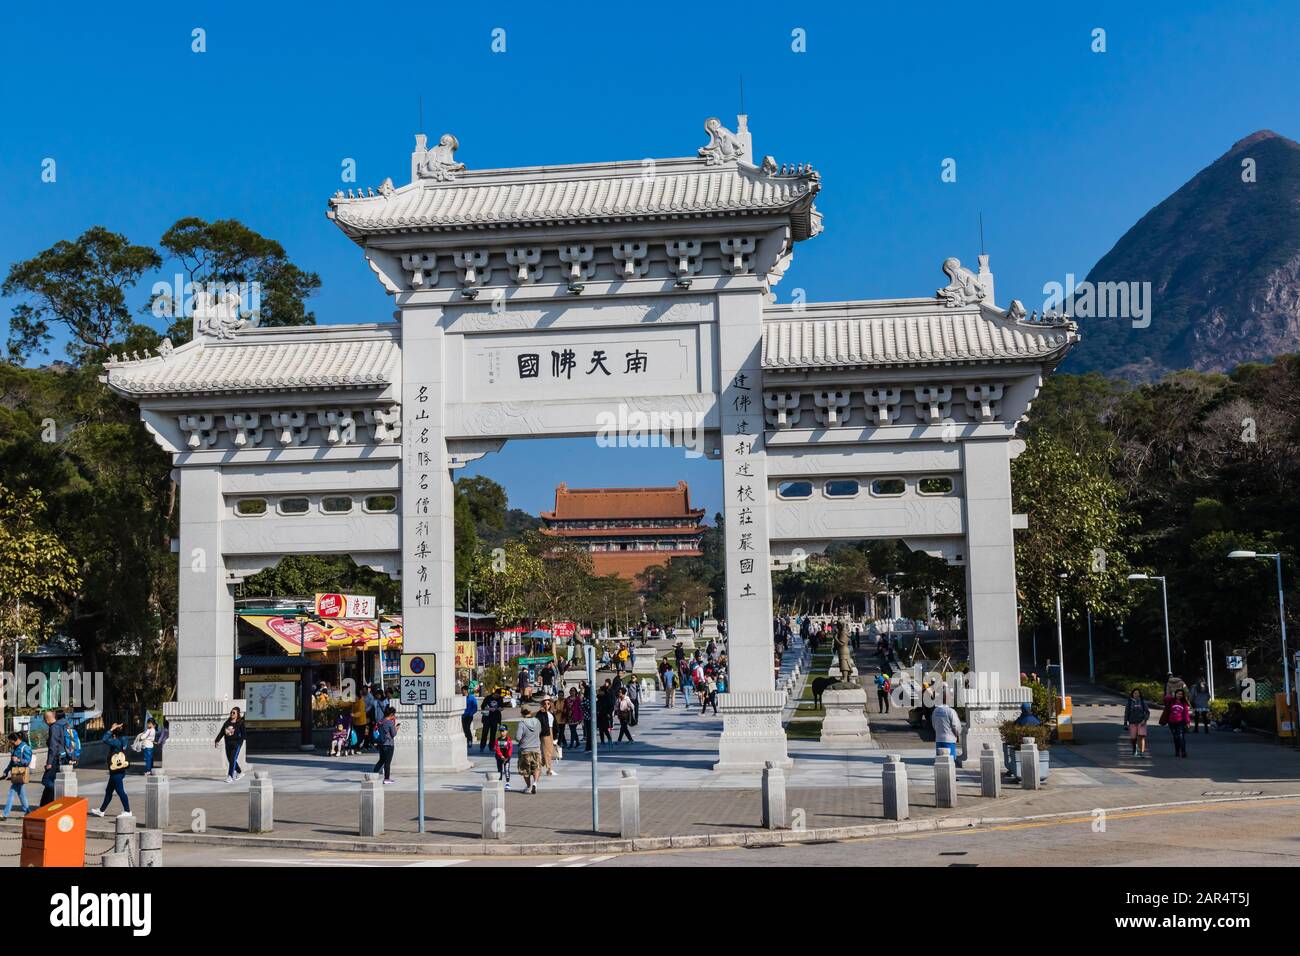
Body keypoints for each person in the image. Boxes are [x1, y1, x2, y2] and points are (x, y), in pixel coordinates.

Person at [90, 722, 131, 818]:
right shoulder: (124, 739)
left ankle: (128, 811)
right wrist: (119, 728)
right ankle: (101, 810)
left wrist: (112, 729)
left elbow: (104, 739)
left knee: (120, 791)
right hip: (119, 770)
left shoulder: (116, 742)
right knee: (109, 791)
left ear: (114, 735)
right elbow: (122, 733)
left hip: (116, 771)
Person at [39, 709, 68, 807]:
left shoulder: (54, 727)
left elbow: (53, 746)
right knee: (50, 782)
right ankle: (44, 805)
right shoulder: (61, 725)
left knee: (46, 780)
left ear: (46, 720)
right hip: (61, 757)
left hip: (56, 758)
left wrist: (49, 762)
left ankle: (60, 791)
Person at [2, 731, 32, 818]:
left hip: (21, 773)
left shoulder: (25, 748)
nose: (11, 743)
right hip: (16, 773)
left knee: (11, 793)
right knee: (21, 794)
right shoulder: (15, 748)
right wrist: (6, 770)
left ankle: (5, 814)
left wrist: (18, 760)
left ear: (17, 739)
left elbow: (27, 761)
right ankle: (28, 812)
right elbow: (12, 762)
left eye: (11, 741)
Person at [514, 707, 543, 794]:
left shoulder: (522, 723)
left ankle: (528, 786)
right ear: (530, 712)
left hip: (525, 749)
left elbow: (518, 737)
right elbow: (539, 732)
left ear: (522, 713)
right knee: (536, 767)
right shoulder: (537, 721)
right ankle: (535, 783)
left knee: (525, 770)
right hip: (536, 748)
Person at [213, 706, 246, 782]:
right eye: (231, 712)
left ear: (237, 714)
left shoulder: (240, 723)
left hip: (236, 744)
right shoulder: (227, 723)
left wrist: (239, 742)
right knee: (230, 760)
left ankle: (230, 776)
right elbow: (222, 733)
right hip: (228, 743)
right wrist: (217, 740)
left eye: (233, 713)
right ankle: (240, 772)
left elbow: (244, 735)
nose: (232, 714)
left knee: (233, 759)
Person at [931, 688, 963, 764]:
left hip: (939, 738)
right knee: (950, 761)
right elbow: (956, 726)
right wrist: (957, 734)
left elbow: (933, 724)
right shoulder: (951, 711)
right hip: (949, 740)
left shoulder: (935, 711)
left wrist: (938, 731)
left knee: (940, 761)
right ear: (947, 699)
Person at [372, 705, 398, 783]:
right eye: (394, 714)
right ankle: (387, 779)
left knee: (381, 760)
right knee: (387, 762)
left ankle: (373, 775)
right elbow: (393, 734)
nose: (394, 716)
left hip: (381, 743)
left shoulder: (381, 721)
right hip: (388, 744)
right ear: (391, 714)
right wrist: (397, 728)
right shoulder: (389, 722)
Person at [1124, 688, 1150, 757]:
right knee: (1133, 738)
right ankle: (1134, 749)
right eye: (1135, 693)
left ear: (1140, 694)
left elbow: (1147, 712)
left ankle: (1142, 752)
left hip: (1141, 722)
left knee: (1141, 737)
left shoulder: (1142, 702)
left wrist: (1145, 720)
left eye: (1138, 693)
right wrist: (1125, 722)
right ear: (1132, 694)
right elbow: (1126, 713)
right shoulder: (1129, 702)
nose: (1136, 694)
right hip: (1132, 722)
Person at [1166, 687, 1192, 758]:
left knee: (1181, 736)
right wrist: (1171, 691)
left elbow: (1186, 714)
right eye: (1178, 694)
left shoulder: (1184, 703)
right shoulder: (1171, 701)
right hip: (1171, 722)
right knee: (1175, 737)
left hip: (1181, 722)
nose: (1179, 695)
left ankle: (1183, 751)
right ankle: (1177, 751)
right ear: (1175, 694)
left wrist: (1188, 722)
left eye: (1181, 694)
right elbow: (1166, 697)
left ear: (1183, 695)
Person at [538, 697, 559, 776]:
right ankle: (549, 769)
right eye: (545, 703)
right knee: (547, 751)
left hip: (551, 732)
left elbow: (555, 724)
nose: (547, 705)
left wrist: (556, 736)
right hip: (545, 733)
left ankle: (541, 767)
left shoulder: (551, 713)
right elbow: (538, 723)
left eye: (548, 703)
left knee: (549, 751)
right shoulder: (541, 713)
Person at [479, 688, 503, 752]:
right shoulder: (488, 698)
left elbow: (501, 706)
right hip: (487, 717)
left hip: (495, 718)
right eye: (498, 695)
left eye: (499, 696)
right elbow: (482, 706)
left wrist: (499, 708)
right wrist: (489, 709)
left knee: (493, 733)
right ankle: (482, 747)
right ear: (495, 693)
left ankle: (491, 746)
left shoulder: (500, 699)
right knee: (485, 732)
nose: (498, 697)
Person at [352, 687, 370, 754]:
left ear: (358, 696)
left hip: (361, 722)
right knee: (356, 737)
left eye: (355, 696)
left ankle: (357, 748)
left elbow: (361, 712)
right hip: (355, 722)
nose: (354, 698)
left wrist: (354, 715)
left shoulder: (361, 702)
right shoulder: (354, 702)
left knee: (361, 736)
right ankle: (356, 748)